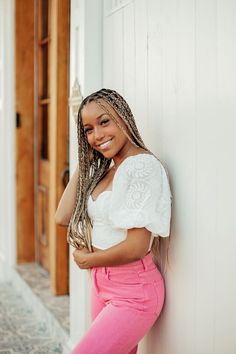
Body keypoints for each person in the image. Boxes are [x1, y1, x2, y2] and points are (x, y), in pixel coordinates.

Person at [55, 88, 172, 354]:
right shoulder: (109, 170)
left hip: (134, 292)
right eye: (88, 130)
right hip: (102, 284)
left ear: (123, 116)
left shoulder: (142, 167)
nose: (97, 135)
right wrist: (85, 163)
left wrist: (89, 260)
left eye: (104, 122)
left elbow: (137, 246)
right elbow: (61, 216)